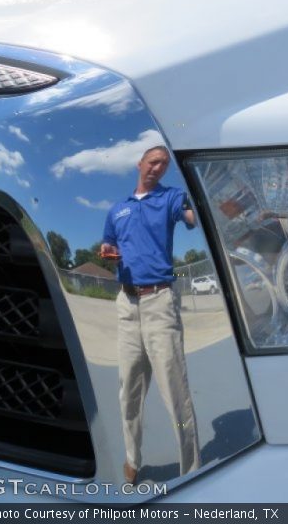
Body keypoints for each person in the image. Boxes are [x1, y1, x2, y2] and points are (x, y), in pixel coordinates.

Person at [101, 145, 200, 484]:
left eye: (164, 164)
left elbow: (190, 218)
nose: (158, 167)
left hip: (160, 301)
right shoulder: (118, 210)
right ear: (140, 163)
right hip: (126, 304)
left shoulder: (172, 198)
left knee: (175, 392)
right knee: (128, 388)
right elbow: (109, 245)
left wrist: (193, 208)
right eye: (153, 161)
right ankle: (132, 460)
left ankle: (191, 468)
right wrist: (108, 251)